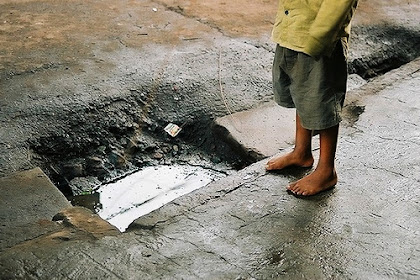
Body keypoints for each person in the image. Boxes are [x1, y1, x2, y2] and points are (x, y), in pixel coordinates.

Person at [266, 0, 359, 196]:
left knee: (322, 98)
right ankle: (301, 152)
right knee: (304, 91)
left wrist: (319, 38)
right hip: (293, 25)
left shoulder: (319, 37)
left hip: (319, 35)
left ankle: (326, 170)